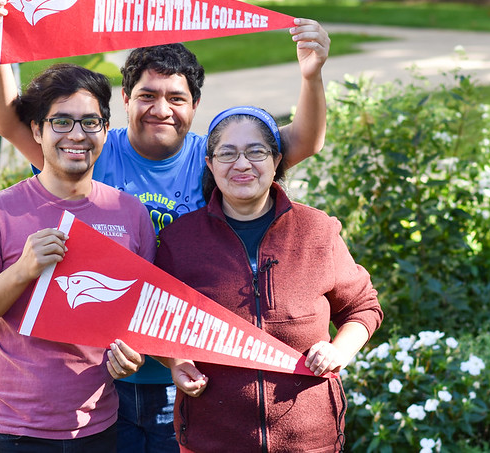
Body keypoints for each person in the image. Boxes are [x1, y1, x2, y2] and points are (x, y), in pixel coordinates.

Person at [0, 0, 331, 452]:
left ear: (194, 106)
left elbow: (300, 142)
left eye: (176, 98)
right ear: (125, 97)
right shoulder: (92, 150)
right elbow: (10, 121)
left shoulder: (212, 159)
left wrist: (311, 75)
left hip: (184, 368)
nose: (160, 109)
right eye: (147, 95)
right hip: (102, 373)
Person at [0, 63, 157, 452]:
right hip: (11, 427)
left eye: (90, 122)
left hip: (95, 422)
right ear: (36, 130)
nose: (77, 135)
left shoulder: (129, 214)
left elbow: (138, 313)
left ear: (106, 130)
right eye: (61, 122)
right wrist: (22, 271)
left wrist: (135, 354)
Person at [153, 106, 383, 453]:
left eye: (256, 151)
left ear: (276, 160)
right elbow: (154, 324)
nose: (242, 164)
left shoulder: (316, 231)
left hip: (311, 441)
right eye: (227, 153)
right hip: (211, 440)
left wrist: (339, 350)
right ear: (210, 164)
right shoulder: (179, 241)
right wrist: (176, 362)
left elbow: (363, 307)